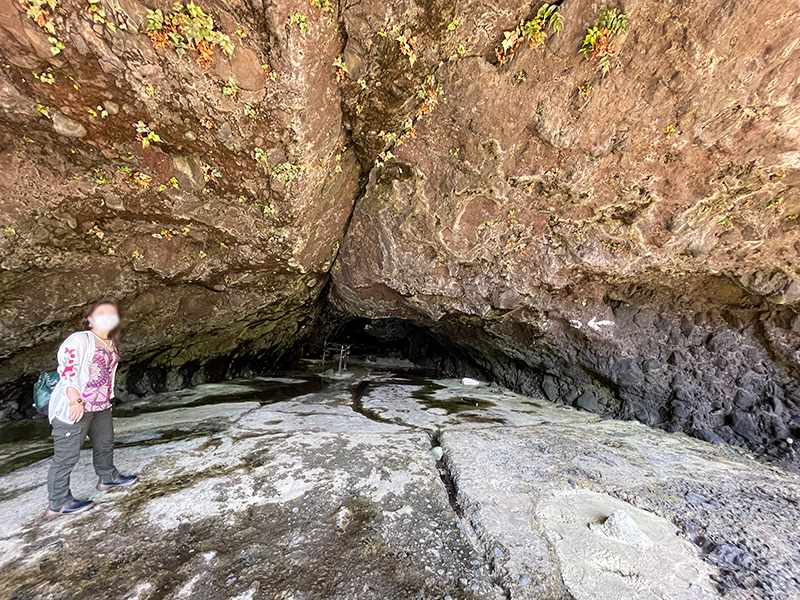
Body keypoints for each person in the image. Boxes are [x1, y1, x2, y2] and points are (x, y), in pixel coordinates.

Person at [45, 300, 137, 519]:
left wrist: (108, 399)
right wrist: (74, 399)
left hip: (100, 405)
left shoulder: (110, 343)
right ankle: (58, 503)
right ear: (90, 319)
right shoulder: (79, 339)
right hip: (75, 405)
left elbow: (106, 375)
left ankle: (108, 477)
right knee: (66, 456)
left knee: (105, 443)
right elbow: (67, 369)